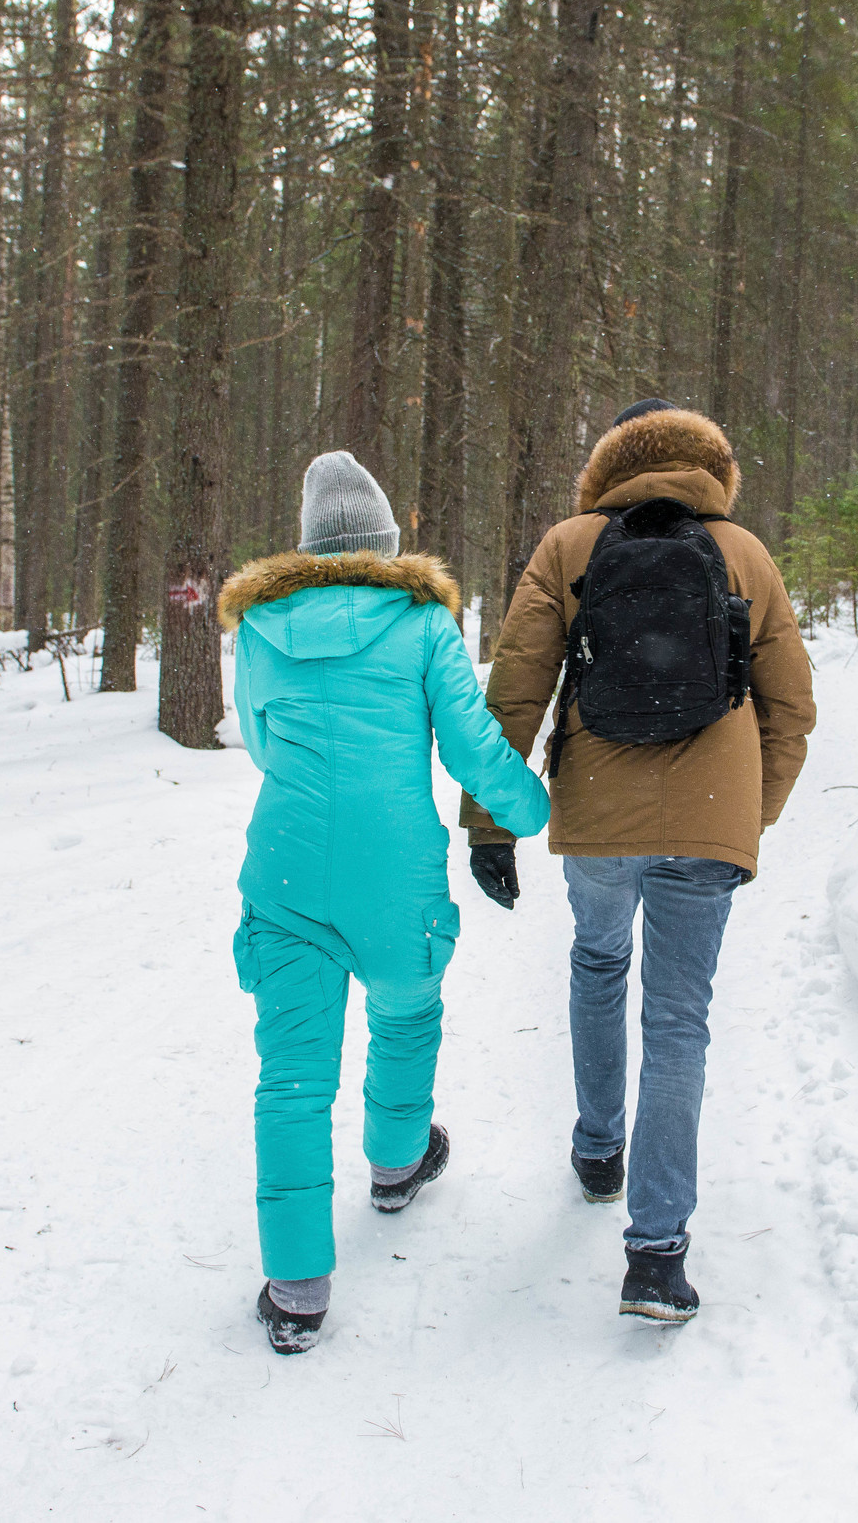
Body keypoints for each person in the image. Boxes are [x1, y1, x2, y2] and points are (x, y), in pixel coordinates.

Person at [462, 401, 816, 1323]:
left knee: (597, 959)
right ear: (711, 466)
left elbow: (516, 685)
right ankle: (657, 1255)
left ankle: (596, 1148)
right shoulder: (745, 555)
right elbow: (792, 707)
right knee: (677, 1019)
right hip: (710, 817)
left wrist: (489, 823)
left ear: (609, 466)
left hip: (599, 814)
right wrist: (750, 815)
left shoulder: (569, 544)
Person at [221, 451, 550, 1355]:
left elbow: (257, 738)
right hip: (397, 872)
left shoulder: (259, 625)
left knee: (291, 1077)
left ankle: (296, 1293)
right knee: (405, 1018)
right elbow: (473, 747)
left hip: (285, 872)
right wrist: (534, 807)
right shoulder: (422, 622)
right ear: (383, 543)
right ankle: (398, 1163)